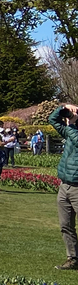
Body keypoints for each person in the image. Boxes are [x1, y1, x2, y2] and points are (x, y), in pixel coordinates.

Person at [49, 104, 78, 268]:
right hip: (65, 185)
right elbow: (52, 119)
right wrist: (63, 107)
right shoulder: (71, 130)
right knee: (65, 225)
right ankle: (73, 258)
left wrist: (72, 124)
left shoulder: (72, 131)